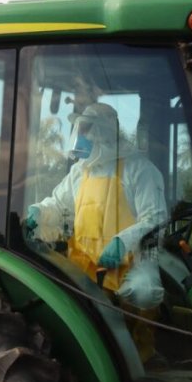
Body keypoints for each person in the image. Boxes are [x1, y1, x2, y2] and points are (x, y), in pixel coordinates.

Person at [25, 102, 168, 311]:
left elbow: (155, 220)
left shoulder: (139, 169)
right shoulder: (79, 172)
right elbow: (58, 204)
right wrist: (39, 212)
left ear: (102, 133)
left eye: (85, 129)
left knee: (144, 294)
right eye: (79, 129)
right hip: (83, 264)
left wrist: (122, 242)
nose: (79, 136)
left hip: (131, 265)